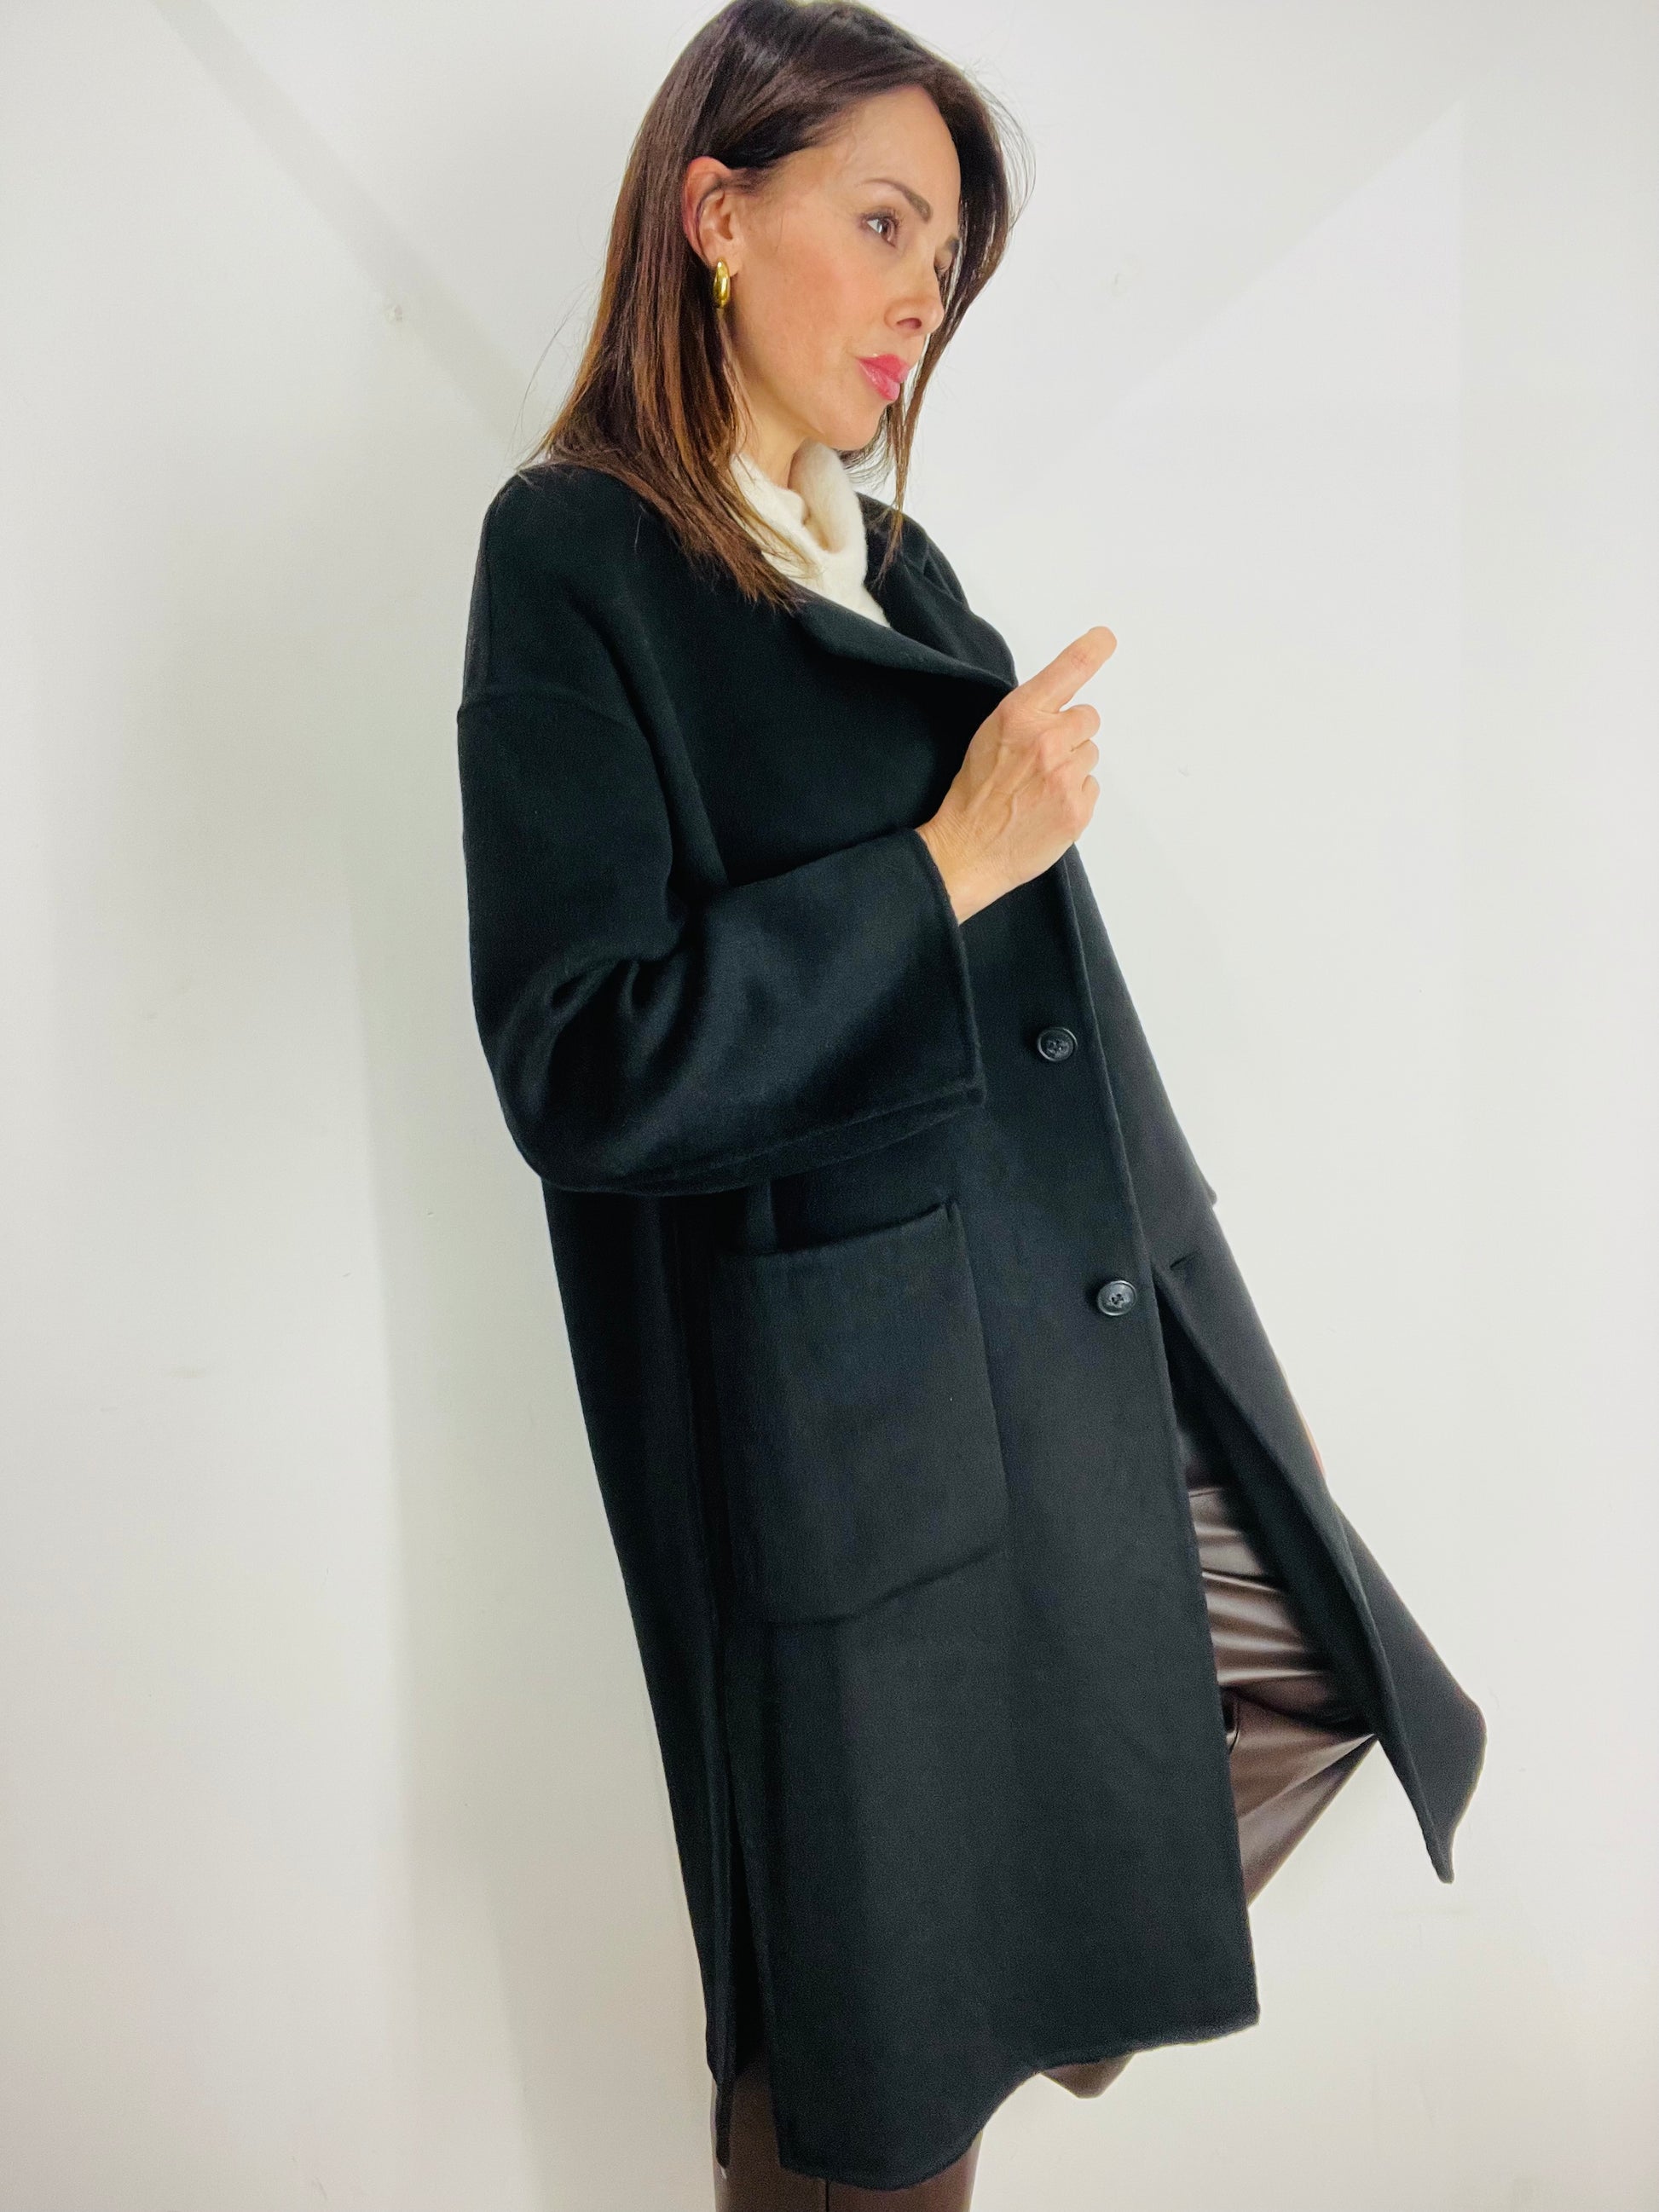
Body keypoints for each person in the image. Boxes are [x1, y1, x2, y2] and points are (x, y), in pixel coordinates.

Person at [454, 4, 1487, 2204]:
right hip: (840, 1454)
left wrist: (1202, 1341)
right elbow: (583, 1058)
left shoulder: (894, 568)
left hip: (1063, 1364)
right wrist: (939, 865)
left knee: (1290, 1682)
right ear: (715, 213)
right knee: (867, 2098)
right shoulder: (577, 552)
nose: (923, 292)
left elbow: (1061, 1032)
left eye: (948, 253)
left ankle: (1060, 1931)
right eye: (882, 220)